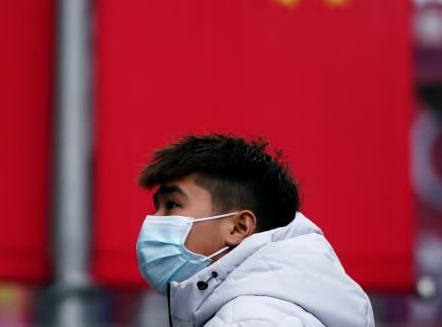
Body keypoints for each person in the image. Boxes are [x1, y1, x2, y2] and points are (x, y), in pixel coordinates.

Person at [135, 133, 375, 327]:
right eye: (157, 207)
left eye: (172, 205)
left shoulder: (250, 320)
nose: (155, 220)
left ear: (239, 227)